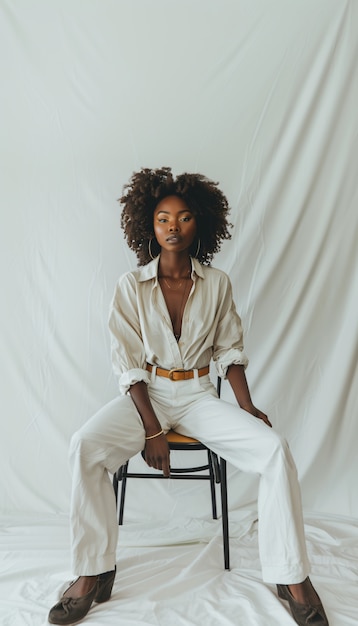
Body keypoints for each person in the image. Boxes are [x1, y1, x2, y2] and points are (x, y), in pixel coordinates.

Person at [48, 167, 329, 625]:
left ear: (200, 223)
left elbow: (230, 351)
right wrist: (152, 428)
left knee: (275, 449)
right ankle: (92, 571)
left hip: (199, 396)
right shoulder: (129, 287)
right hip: (146, 396)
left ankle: (291, 575)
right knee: (85, 445)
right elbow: (129, 367)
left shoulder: (217, 284)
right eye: (162, 218)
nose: (173, 226)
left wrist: (246, 407)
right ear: (149, 225)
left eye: (182, 217)